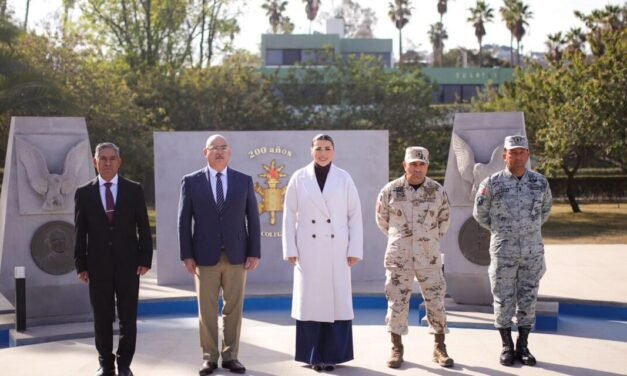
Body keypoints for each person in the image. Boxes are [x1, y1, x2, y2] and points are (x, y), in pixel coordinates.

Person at [178, 134, 261, 375]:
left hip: (237, 254)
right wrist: (187, 255)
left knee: (234, 308)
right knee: (207, 309)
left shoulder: (243, 180)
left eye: (223, 148)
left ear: (230, 152)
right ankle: (209, 357)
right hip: (203, 256)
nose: (219, 152)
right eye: (214, 148)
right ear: (205, 153)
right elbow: (184, 221)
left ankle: (231, 356)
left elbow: (253, 219)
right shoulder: (191, 181)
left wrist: (254, 251)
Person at [282, 134, 363, 372]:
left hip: (337, 249)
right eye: (318, 148)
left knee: (336, 302)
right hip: (308, 249)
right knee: (311, 303)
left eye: (327, 148)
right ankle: (313, 356)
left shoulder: (344, 177)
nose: (323, 153)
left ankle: (333, 356)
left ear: (334, 152)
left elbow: (355, 215)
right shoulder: (299, 177)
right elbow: (288, 215)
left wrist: (355, 248)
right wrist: (290, 248)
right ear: (311, 151)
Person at [74, 142, 153, 376]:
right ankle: (105, 364)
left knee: (128, 317)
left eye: (112, 158)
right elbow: (80, 232)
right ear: (94, 161)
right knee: (102, 317)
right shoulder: (84, 193)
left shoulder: (134, 190)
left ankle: (125, 364)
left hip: (129, 264)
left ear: (119, 161)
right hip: (98, 266)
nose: (107, 163)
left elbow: (144, 229)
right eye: (103, 159)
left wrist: (145, 258)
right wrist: (81, 264)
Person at [473, 135, 552, 367]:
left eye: (521, 152)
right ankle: (506, 346)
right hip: (503, 251)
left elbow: (545, 211)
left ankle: (523, 345)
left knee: (528, 299)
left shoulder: (540, 183)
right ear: (504, 155)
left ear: (527, 155)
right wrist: (503, 231)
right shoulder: (491, 184)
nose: (518, 156)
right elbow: (480, 214)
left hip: (532, 252)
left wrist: (528, 230)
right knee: (503, 299)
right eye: (513, 152)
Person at [375, 146, 454, 369]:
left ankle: (440, 346)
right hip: (399, 256)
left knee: (436, 299)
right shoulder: (390, 190)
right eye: (413, 164)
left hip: (428, 255)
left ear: (427, 166)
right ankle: (396, 347)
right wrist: (401, 240)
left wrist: (427, 240)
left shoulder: (437, 191)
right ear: (405, 165)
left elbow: (444, 220)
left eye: (421, 164)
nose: (417, 168)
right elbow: (382, 221)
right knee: (396, 302)